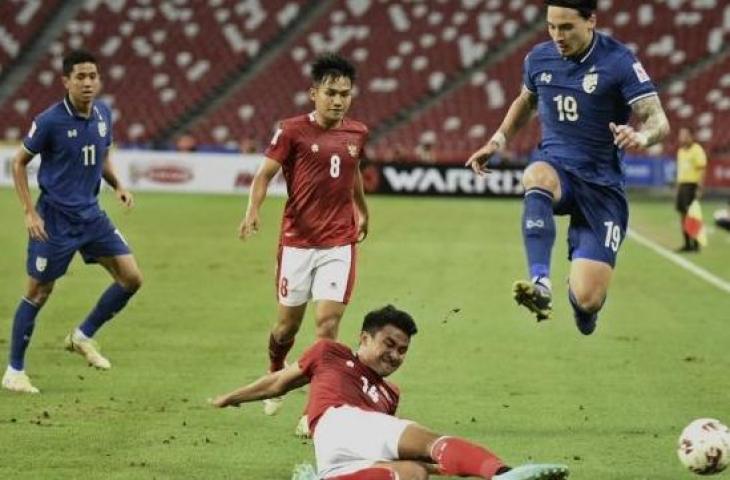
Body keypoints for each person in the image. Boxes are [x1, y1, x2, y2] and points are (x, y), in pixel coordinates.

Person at [466, 0, 670, 335]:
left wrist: (642, 138)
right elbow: (525, 101)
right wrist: (496, 142)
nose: (557, 35)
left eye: (566, 27)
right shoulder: (538, 58)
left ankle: (583, 310)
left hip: (602, 189)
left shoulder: (618, 61)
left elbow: (658, 120)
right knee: (535, 176)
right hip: (558, 168)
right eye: (551, 26)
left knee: (588, 298)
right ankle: (541, 284)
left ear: (591, 21)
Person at [212, 305, 569, 480]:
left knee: (415, 473)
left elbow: (392, 448)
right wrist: (233, 396)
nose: (395, 355)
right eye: (389, 344)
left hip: (336, 461)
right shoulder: (331, 353)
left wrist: (455, 469)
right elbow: (278, 382)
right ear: (364, 338)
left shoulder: (389, 393)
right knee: (431, 440)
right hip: (339, 421)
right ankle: (504, 474)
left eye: (402, 351)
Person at [2, 50, 143, 394]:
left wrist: (118, 185)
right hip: (54, 220)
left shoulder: (104, 114)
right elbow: (18, 163)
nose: (87, 83)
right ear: (65, 81)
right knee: (38, 291)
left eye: (92, 76)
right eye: (80, 77)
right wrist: (28, 212)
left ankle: (82, 336)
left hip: (92, 216)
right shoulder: (49, 120)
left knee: (131, 278)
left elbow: (100, 157)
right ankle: (14, 371)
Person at [238, 53, 369, 420]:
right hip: (297, 242)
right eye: (330, 92)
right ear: (314, 93)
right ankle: (275, 370)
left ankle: (319, 404)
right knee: (286, 327)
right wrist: (253, 210)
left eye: (344, 93)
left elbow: (353, 170)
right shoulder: (292, 130)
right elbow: (264, 175)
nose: (338, 100)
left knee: (327, 324)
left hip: (339, 243)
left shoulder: (357, 132)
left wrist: (362, 208)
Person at [675, 127, 707, 252]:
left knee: (692, 215)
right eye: (680, 135)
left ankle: (696, 243)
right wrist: (678, 187)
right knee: (683, 215)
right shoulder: (680, 151)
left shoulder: (697, 149)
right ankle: (687, 243)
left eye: (684, 135)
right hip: (682, 186)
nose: (681, 137)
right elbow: (680, 171)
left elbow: (702, 168)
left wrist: (699, 187)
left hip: (691, 186)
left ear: (690, 136)